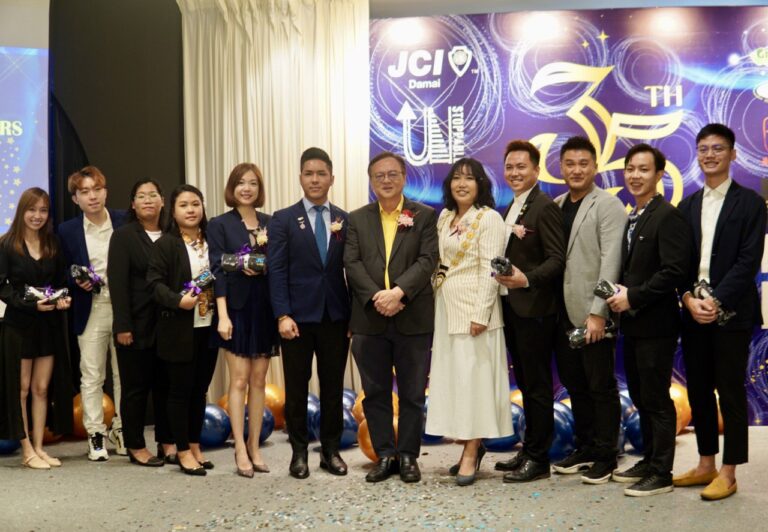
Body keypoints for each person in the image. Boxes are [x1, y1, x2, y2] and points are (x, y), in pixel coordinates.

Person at [673, 123, 767, 500]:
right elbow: (679, 263)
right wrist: (688, 299)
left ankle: (729, 472)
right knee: (698, 389)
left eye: (718, 148)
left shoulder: (751, 203)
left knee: (730, 391)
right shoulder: (687, 206)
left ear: (732, 154)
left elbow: (748, 261)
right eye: (703, 149)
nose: (710, 155)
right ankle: (706, 464)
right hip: (693, 312)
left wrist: (716, 300)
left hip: (732, 314)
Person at [345, 151, 439, 483]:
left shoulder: (424, 215)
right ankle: (385, 455)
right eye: (379, 175)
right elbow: (352, 263)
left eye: (392, 174)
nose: (386, 180)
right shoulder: (357, 219)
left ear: (404, 177)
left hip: (412, 315)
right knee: (375, 392)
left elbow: (428, 259)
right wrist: (377, 297)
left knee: (413, 392)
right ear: (371, 181)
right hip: (369, 319)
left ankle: (409, 455)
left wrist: (398, 293)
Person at [606, 144, 691, 496]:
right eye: (630, 169)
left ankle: (662, 472)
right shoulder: (635, 215)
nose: (635, 175)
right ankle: (650, 459)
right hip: (634, 324)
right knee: (641, 395)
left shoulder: (667, 216)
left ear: (659, 175)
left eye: (643, 169)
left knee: (656, 398)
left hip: (657, 324)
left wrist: (633, 296)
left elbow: (674, 271)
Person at [425, 158, 512, 486]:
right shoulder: (445, 217)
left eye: (469, 178)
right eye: (456, 178)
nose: (462, 184)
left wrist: (481, 313)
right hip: (446, 309)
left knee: (474, 383)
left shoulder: (489, 218)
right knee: (456, 383)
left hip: (476, 312)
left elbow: (493, 269)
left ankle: (472, 451)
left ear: (480, 184)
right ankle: (468, 445)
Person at [268, 148, 351, 479]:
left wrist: (354, 318)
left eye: (321, 174)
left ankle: (330, 452)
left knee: (332, 388)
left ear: (332, 178)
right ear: (300, 178)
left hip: (335, 317)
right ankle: (299, 453)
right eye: (308, 173)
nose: (315, 179)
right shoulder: (283, 219)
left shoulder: (345, 219)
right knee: (296, 389)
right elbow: (276, 271)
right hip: (296, 319)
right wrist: (282, 314)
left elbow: (352, 270)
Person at [551, 136, 626, 484]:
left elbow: (611, 261)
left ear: (595, 167)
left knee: (600, 385)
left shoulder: (608, 205)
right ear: (561, 167)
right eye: (570, 163)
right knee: (575, 384)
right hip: (562, 313)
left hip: (592, 312)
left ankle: (606, 455)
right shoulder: (556, 204)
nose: (576, 170)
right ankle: (586, 447)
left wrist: (599, 312)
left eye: (583, 163)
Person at [494, 140, 565, 483]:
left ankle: (539, 458)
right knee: (524, 382)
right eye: (509, 167)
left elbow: (557, 260)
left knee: (537, 385)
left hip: (535, 309)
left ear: (536, 170)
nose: (514, 172)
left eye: (521, 167)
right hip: (512, 307)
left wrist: (527, 279)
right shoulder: (513, 205)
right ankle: (529, 448)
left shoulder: (544, 207)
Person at [209, 163, 279, 477]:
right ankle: (239, 446)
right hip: (235, 309)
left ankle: (254, 445)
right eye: (241, 183)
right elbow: (217, 268)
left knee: (259, 381)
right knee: (238, 381)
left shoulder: (271, 222)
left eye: (252, 183)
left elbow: (278, 262)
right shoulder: (219, 224)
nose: (246, 188)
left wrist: (264, 265)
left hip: (263, 308)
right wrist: (222, 315)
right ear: (232, 188)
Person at [147, 184, 219, 476]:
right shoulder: (166, 244)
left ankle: (195, 444)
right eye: (184, 205)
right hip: (179, 328)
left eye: (195, 204)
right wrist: (178, 301)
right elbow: (154, 284)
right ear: (173, 211)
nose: (191, 210)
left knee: (200, 391)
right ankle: (182, 450)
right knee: (180, 391)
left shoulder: (212, 240)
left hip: (209, 326)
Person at [0, 187, 73, 469]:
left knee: (41, 388)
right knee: (21, 389)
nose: (37, 216)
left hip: (48, 325)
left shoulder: (52, 244)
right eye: (32, 210)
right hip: (19, 326)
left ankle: (40, 447)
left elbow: (61, 282)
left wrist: (63, 299)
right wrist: (30, 306)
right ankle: (26, 449)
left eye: (43, 210)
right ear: (22, 211)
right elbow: (3, 288)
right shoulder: (7, 244)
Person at [58, 166, 127, 460]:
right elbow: (61, 269)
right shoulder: (67, 230)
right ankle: (95, 434)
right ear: (76, 198)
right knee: (92, 374)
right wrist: (76, 279)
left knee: (124, 373)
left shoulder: (124, 220)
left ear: (106, 192)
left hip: (123, 307)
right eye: (84, 192)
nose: (92, 196)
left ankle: (122, 430)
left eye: (97, 189)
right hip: (91, 306)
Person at [107, 179, 172, 467]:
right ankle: (135, 445)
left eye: (153, 195)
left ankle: (167, 441)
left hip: (169, 325)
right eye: (141, 196)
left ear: (162, 201)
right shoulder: (123, 236)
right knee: (135, 389)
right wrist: (123, 326)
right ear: (133, 204)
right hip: (135, 325)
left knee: (166, 386)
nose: (148, 200)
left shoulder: (172, 233)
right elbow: (118, 285)